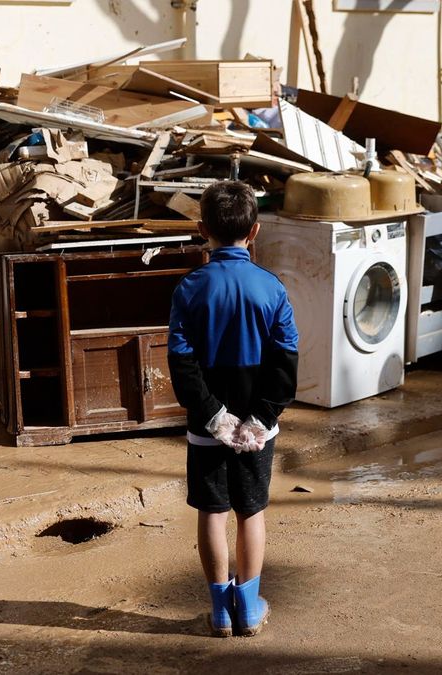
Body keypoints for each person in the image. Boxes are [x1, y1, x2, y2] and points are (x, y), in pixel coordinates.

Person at [168, 181, 299, 638]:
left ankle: (220, 612)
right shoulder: (272, 288)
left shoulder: (189, 288)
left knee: (211, 510)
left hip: (208, 425)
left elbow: (181, 363)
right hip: (258, 423)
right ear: (255, 231)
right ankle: (248, 608)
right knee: (251, 511)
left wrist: (213, 416)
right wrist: (259, 418)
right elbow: (286, 365)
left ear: (203, 229)